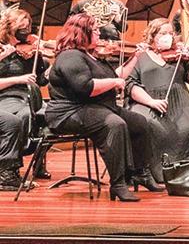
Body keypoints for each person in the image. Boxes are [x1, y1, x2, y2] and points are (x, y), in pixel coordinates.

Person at [45, 12, 156, 202]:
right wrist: (113, 82)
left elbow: (117, 76)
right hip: (69, 112)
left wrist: (136, 57)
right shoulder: (70, 56)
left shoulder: (91, 55)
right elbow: (86, 88)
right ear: (81, 33)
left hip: (95, 107)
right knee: (115, 125)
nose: (99, 34)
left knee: (138, 122)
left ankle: (139, 173)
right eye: (95, 30)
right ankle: (118, 183)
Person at [124, 17, 189, 184]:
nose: (168, 36)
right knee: (149, 124)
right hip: (146, 100)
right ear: (153, 36)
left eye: (170, 33)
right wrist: (151, 102)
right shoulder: (141, 55)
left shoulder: (179, 55)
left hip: (179, 99)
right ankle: (152, 173)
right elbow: (130, 86)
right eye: (163, 33)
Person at [0, 7, 50, 190]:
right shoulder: (1, 49)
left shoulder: (29, 51)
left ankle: (37, 163)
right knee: (22, 117)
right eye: (21, 27)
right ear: (10, 27)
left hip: (28, 95)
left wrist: (49, 66)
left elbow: (42, 81)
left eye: (28, 27)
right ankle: (9, 170)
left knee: (50, 116)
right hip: (7, 96)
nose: (26, 32)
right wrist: (17, 78)